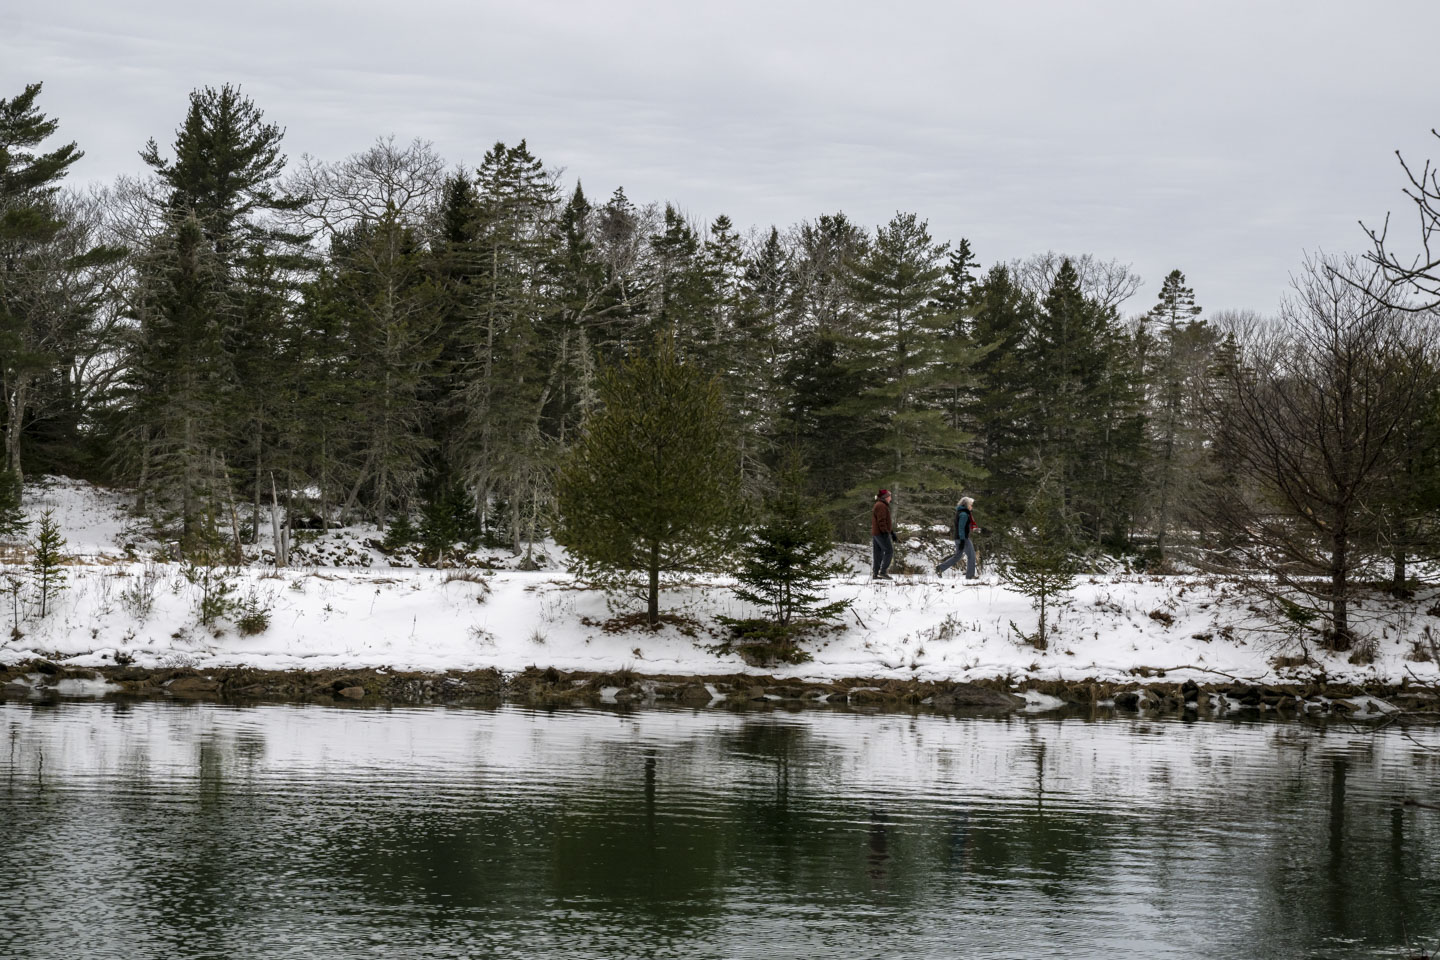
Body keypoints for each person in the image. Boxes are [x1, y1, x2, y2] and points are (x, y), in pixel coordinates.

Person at [936, 496, 981, 579]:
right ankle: (970, 576)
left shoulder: (962, 512)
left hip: (959, 538)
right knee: (972, 556)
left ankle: (940, 568)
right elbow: (961, 528)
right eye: (971, 504)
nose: (972, 506)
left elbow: (965, 526)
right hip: (963, 538)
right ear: (966, 505)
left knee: (958, 556)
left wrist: (975, 529)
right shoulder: (964, 514)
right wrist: (963, 541)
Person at [871, 488, 895, 580]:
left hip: (876, 533)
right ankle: (883, 572)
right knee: (889, 551)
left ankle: (876, 573)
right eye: (889, 496)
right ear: (885, 497)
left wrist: (891, 531)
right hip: (881, 533)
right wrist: (885, 532)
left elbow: (883, 521)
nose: (891, 498)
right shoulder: (881, 506)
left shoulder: (879, 504)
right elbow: (881, 521)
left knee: (878, 553)